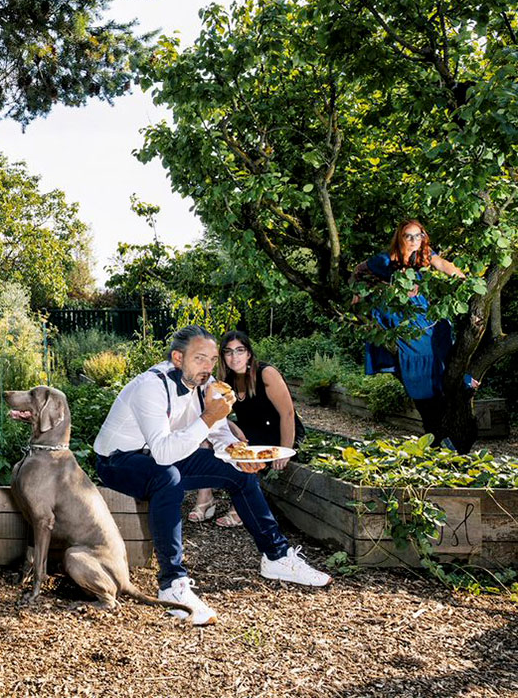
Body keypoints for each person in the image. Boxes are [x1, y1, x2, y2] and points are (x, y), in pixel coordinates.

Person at [92, 325, 331, 626]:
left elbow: (218, 431)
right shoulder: (150, 386)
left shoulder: (208, 385)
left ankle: (277, 557)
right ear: (178, 358)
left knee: (239, 474)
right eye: (199, 358)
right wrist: (208, 416)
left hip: (166, 454)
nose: (208, 367)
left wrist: (237, 452)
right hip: (119, 460)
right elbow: (165, 453)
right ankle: (172, 584)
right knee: (168, 478)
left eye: (213, 359)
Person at [357, 219, 476, 451]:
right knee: (419, 363)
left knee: (442, 347)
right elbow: (359, 271)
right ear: (400, 238)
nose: (414, 241)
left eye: (418, 236)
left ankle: (458, 397)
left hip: (427, 315)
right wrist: (369, 293)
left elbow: (445, 265)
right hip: (403, 319)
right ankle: (438, 435)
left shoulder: (425, 255)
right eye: (408, 236)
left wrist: (465, 281)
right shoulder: (385, 260)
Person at [190, 330, 304, 529]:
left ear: (249, 353)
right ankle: (205, 497)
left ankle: (240, 507)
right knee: (205, 438)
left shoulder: (266, 373)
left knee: (244, 448)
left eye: (240, 350)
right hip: (249, 429)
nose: (235, 357)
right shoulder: (227, 380)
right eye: (229, 352)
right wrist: (233, 427)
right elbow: (220, 415)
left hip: (278, 431)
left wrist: (286, 450)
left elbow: (288, 414)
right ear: (223, 357)